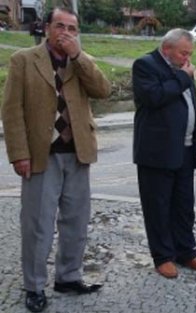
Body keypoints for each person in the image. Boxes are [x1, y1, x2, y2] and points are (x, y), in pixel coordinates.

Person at [1, 7, 111, 313]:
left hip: (78, 153)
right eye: (60, 26)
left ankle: (68, 277)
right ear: (47, 27)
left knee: (75, 222)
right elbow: (11, 112)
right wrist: (19, 153)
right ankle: (34, 286)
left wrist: (79, 57)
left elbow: (103, 90)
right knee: (38, 225)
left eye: (72, 28)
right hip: (41, 155)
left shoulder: (80, 61)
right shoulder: (24, 60)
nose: (66, 32)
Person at [132, 28, 196, 279]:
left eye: (190, 53)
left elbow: (189, 107)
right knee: (158, 207)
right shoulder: (145, 65)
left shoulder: (183, 70)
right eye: (183, 53)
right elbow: (154, 97)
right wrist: (183, 78)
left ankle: (186, 252)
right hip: (156, 154)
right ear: (167, 49)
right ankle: (163, 257)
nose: (187, 58)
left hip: (185, 152)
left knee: (183, 207)